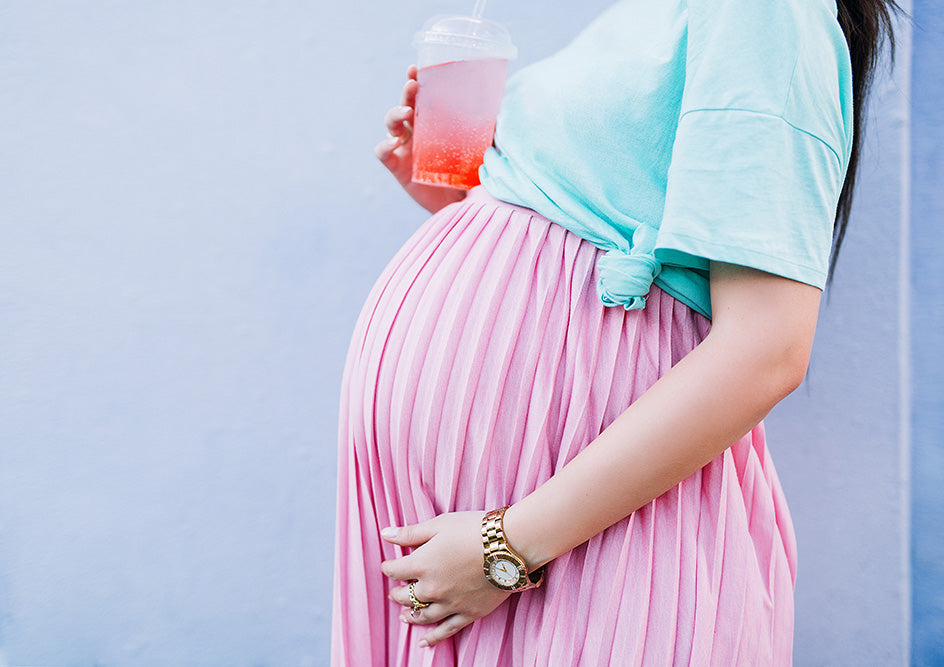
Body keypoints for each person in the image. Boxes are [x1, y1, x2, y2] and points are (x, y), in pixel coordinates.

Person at [332, 0, 898, 664]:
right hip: (493, 553)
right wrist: (468, 210)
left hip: (568, 546)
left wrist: (504, 547)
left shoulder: (766, 10)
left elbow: (768, 349)